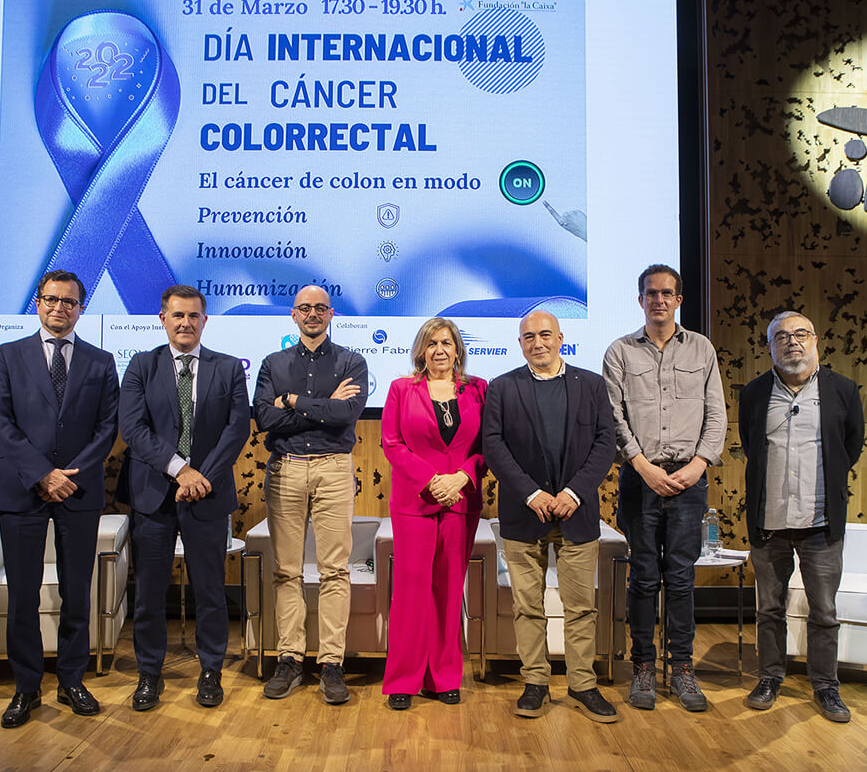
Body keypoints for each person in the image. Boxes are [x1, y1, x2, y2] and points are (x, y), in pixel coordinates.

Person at [0, 269, 119, 729]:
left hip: (79, 490)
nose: (60, 308)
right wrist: (42, 474)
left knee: (76, 591)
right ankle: (26, 688)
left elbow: (107, 428)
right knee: (22, 593)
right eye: (51, 300)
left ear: (81, 307)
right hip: (22, 489)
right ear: (37, 303)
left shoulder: (102, 362)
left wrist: (67, 476)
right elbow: (1, 423)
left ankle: (71, 680)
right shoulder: (7, 355)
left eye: (69, 301)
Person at [482, 310, 619, 723]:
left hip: (577, 514)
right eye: (528, 337)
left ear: (561, 338)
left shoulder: (592, 385)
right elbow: (494, 446)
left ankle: (583, 685)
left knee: (581, 608)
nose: (537, 343)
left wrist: (573, 492)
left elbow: (605, 443)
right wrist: (533, 494)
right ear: (519, 343)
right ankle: (535, 683)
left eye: (545, 335)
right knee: (528, 607)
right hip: (524, 517)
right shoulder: (502, 388)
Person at [119, 284, 250, 711]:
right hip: (153, 496)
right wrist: (181, 471)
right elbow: (134, 430)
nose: (186, 323)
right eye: (178, 316)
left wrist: (201, 478)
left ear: (205, 320)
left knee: (211, 591)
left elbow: (236, 430)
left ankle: (211, 670)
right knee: (150, 592)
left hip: (207, 496)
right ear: (163, 319)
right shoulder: (141, 366)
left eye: (194, 316)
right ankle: (149, 672)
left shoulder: (229, 368)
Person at [602, 263, 725, 712]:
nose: (659, 300)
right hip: (639, 478)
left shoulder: (702, 350)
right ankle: (643, 667)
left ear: (679, 300)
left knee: (681, 578)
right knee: (643, 577)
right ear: (640, 300)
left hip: (690, 481)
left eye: (667, 293)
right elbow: (614, 419)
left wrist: (697, 466)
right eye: (651, 293)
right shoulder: (619, 352)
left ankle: (684, 668)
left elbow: (717, 416)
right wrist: (641, 465)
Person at [739, 310, 864, 723]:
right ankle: (770, 677)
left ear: (815, 341)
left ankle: (826, 686)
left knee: (824, 610)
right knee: (769, 609)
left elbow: (852, 445)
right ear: (770, 347)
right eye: (781, 337)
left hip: (820, 522)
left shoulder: (842, 390)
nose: (792, 342)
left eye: (800, 334)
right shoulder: (754, 393)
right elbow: (752, 446)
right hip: (769, 520)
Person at [253, 285, 368, 705]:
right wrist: (321, 406)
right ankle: (290, 659)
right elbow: (265, 418)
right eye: (305, 308)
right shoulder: (272, 363)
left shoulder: (352, 361)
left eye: (320, 308)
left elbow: (345, 416)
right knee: (287, 570)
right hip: (285, 470)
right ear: (293, 315)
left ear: (331, 313)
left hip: (334, 469)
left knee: (335, 570)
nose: (313, 314)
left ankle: (332, 663)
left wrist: (294, 401)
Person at [380, 318, 487, 710]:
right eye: (432, 343)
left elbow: (486, 445)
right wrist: (431, 480)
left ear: (457, 348)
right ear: (421, 351)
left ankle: (444, 677)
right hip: (415, 503)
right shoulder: (401, 389)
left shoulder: (478, 390)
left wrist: (461, 477)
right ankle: (403, 681)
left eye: (447, 342)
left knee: (447, 590)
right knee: (411, 593)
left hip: (461, 502)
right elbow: (392, 443)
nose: (440, 349)